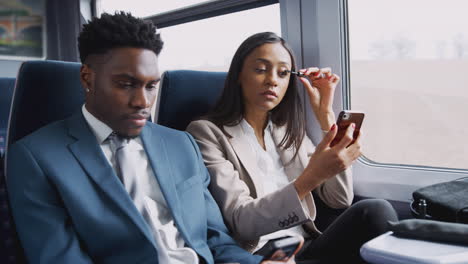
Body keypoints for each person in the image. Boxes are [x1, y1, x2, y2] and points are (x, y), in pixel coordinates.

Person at [6, 13, 292, 264]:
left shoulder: (181, 144)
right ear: (87, 78)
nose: (143, 101)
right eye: (126, 84)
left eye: (151, 85)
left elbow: (215, 239)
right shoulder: (36, 158)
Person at [187, 32, 398, 263]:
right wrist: (310, 177)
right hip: (262, 255)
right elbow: (242, 222)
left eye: (283, 72)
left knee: (375, 210)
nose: (272, 80)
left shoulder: (286, 131)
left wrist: (326, 117)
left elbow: (338, 199)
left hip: (306, 247)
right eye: (260, 69)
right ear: (238, 74)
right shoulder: (206, 133)